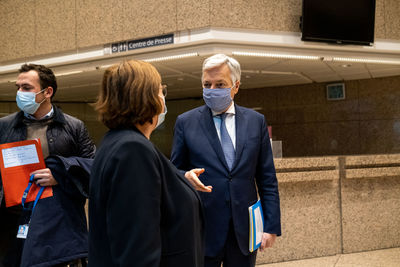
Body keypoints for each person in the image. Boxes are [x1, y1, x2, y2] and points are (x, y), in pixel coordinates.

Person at [89, 60, 204, 267]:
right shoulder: (133, 149)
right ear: (146, 96)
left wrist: (180, 180)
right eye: (161, 90)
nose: (163, 97)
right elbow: (137, 248)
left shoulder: (117, 141)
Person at [171, 54, 281, 267]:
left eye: (219, 84)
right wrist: (184, 176)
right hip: (203, 230)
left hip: (245, 231)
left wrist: (271, 226)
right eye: (207, 84)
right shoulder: (186, 122)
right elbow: (174, 171)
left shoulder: (255, 122)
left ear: (236, 86)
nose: (212, 89)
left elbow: (267, 178)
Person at [0, 64, 95, 267]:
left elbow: (93, 168)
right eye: (17, 87)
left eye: (26, 88)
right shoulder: (4, 126)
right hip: (14, 220)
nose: (19, 93)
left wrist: (60, 175)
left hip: (58, 221)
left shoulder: (73, 126)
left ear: (47, 92)